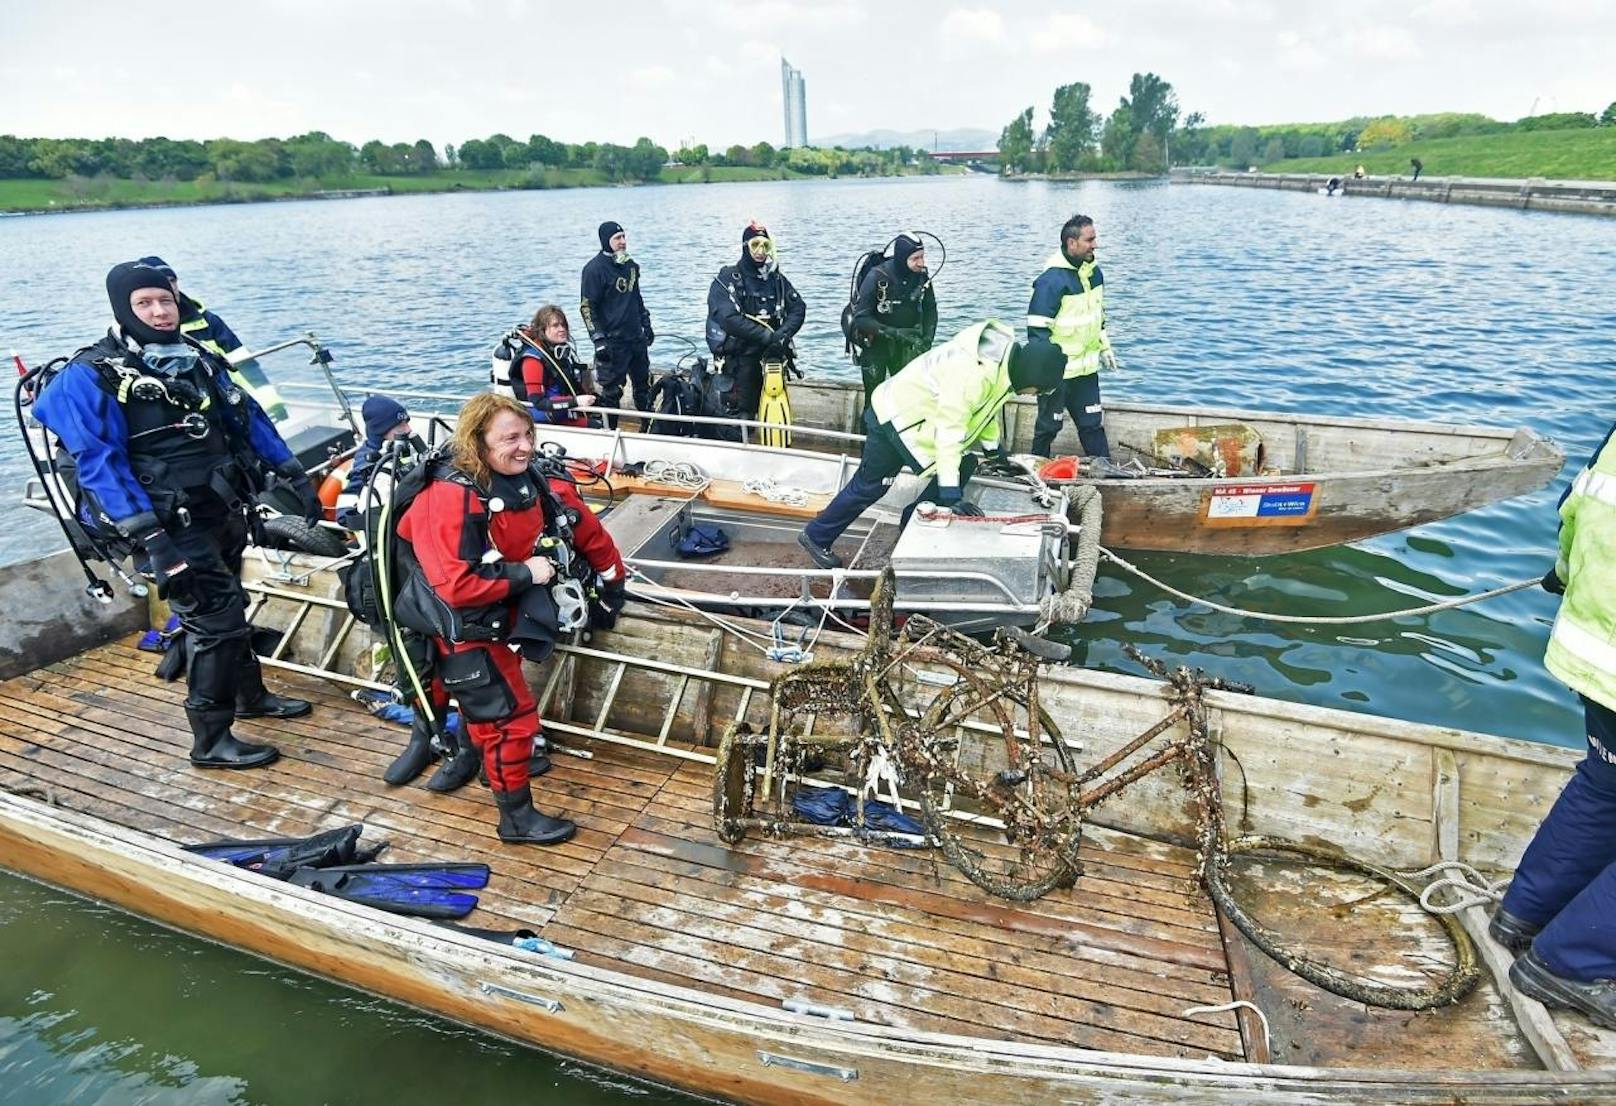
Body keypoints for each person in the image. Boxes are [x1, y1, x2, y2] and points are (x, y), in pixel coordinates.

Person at [33, 261, 317, 769]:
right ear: (123, 308)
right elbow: (100, 465)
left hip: (219, 507)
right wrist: (150, 539)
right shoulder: (93, 376)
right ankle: (210, 740)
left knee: (230, 605)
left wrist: (293, 472)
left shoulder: (196, 357)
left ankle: (249, 697)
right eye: (145, 303)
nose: (160, 312)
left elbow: (244, 415)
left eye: (165, 300)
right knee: (215, 621)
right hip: (165, 524)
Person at [393, 393, 627, 844]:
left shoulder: (529, 482)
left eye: (528, 435)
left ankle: (479, 761)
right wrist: (527, 573)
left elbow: (582, 529)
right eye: (510, 438)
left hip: (495, 618)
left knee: (492, 714)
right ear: (477, 442)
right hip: (460, 625)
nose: (524, 447)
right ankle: (515, 818)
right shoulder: (450, 496)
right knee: (511, 721)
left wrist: (610, 586)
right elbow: (457, 586)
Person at [1489, 422, 1616, 1027]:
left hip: (1596, 651)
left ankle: (1527, 914)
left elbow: (1577, 510)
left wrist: (1564, 573)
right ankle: (1574, 963)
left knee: (1606, 784)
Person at [797, 321, 1066, 569]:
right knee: (871, 486)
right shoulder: (973, 375)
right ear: (1033, 378)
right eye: (1040, 391)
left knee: (966, 462)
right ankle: (817, 536)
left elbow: (986, 411)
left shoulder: (1005, 367)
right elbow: (949, 433)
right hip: (894, 417)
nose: (1036, 396)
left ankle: (912, 519)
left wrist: (994, 451)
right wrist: (951, 495)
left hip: (920, 418)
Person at [136, 256, 290, 421]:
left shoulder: (208, 321)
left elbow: (244, 364)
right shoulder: (135, 334)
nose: (170, 287)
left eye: (172, 280)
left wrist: (271, 404)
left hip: (232, 404)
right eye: (161, 283)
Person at [1028, 214, 1118, 459]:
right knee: (1048, 428)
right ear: (1071, 243)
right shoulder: (1051, 280)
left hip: (1086, 372)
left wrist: (1105, 345)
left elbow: (1096, 316)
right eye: (1089, 240)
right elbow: (1037, 332)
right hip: (1057, 374)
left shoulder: (1094, 274)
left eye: (1095, 238)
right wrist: (1043, 372)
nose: (1095, 244)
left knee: (1092, 425)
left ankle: (1105, 471)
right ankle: (1035, 472)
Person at [705, 220, 806, 422]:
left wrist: (782, 335)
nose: (761, 251)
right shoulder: (728, 279)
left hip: (771, 357)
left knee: (775, 415)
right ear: (745, 247)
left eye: (765, 246)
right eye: (755, 245)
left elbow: (798, 308)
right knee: (743, 416)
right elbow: (728, 318)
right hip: (740, 360)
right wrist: (767, 336)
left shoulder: (776, 280)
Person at [579, 221, 653, 424]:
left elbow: (637, 299)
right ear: (606, 241)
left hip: (635, 338)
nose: (622, 242)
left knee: (643, 387)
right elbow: (587, 307)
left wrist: (646, 325)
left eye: (623, 237)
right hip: (612, 343)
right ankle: (609, 432)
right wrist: (598, 339)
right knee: (612, 393)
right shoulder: (594, 270)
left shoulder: (630, 266)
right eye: (617, 238)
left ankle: (648, 427)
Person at [849, 232, 937, 397]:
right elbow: (861, 319)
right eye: (915, 258)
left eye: (922, 257)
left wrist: (927, 339)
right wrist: (894, 333)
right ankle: (869, 422)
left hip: (907, 346)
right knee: (874, 399)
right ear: (902, 258)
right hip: (876, 347)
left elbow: (931, 309)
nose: (921, 263)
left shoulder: (921, 277)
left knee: (906, 398)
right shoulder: (877, 276)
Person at [335, 394, 421, 532]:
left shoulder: (403, 448)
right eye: (400, 427)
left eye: (407, 423)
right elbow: (343, 516)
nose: (408, 429)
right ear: (381, 433)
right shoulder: (365, 464)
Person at [517, 305, 597, 428]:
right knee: (596, 426)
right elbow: (538, 402)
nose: (562, 329)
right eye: (555, 326)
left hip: (563, 412)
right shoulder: (533, 361)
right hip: (545, 419)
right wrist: (575, 401)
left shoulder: (559, 353)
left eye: (563, 325)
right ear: (542, 330)